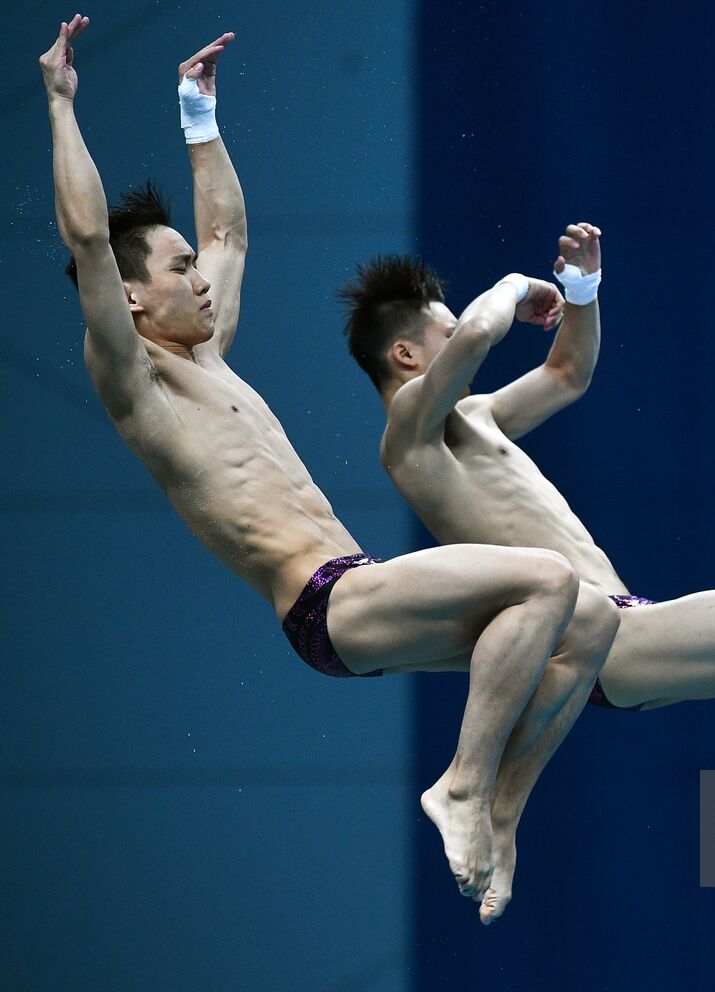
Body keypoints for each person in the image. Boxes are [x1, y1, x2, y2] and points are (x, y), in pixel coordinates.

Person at [40, 16, 617, 919]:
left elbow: (226, 231)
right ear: (130, 298)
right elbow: (85, 240)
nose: (200, 277)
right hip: (325, 602)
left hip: (363, 595)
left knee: (585, 625)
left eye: (194, 268)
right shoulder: (136, 380)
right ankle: (463, 786)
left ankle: (498, 816)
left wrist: (199, 115)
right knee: (548, 580)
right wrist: (61, 105)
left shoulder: (212, 355)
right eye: (178, 269)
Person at [341, 223, 715, 932]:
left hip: (623, 617)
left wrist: (582, 289)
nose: (462, 333)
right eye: (445, 328)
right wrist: (517, 287)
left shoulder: (480, 416)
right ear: (405, 355)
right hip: (600, 636)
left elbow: (567, 374)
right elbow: (471, 343)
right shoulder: (409, 432)